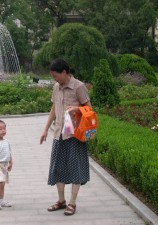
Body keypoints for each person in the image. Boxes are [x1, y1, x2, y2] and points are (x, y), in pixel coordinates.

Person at [40, 59, 91, 216]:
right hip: (59, 134)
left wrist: (76, 109)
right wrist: (45, 129)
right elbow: (54, 108)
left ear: (64, 72)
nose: (54, 79)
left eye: (56, 75)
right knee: (58, 168)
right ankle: (61, 200)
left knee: (75, 169)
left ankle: (72, 202)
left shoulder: (79, 87)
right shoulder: (57, 87)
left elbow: (89, 109)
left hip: (74, 135)